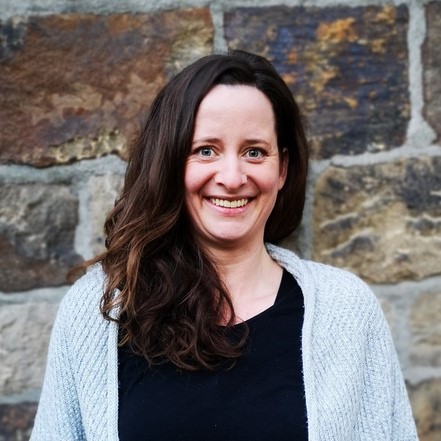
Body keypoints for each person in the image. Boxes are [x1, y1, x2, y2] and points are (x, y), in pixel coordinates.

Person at [30, 49, 418, 440]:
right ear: (170, 162)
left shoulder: (347, 310)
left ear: (282, 168)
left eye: (254, 152)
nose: (232, 178)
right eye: (205, 151)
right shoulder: (97, 312)